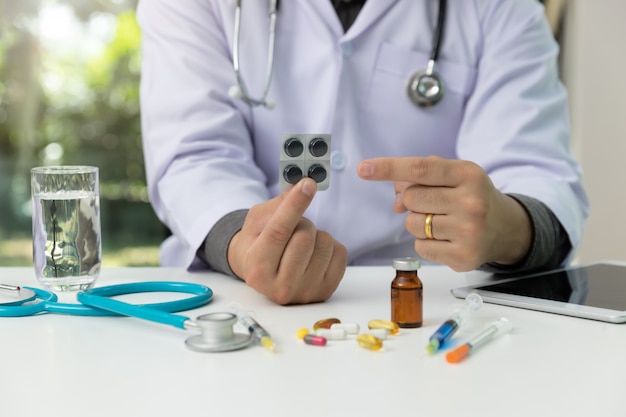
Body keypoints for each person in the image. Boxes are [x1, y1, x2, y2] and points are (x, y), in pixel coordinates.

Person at [137, 0, 589, 305]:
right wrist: (246, 243)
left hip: (424, 304)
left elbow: (536, 168)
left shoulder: (501, 7)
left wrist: (504, 227)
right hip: (239, 298)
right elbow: (194, 155)